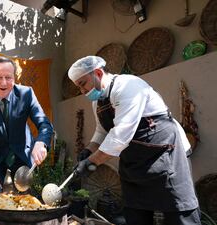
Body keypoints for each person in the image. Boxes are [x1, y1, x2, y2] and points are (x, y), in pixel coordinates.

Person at [68, 56, 201, 225]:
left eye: (82, 83)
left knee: (178, 212)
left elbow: (120, 136)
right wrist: (88, 150)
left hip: (165, 154)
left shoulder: (128, 86)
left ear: (98, 73)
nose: (82, 90)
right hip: (134, 162)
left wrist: (90, 163)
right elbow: (102, 131)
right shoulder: (98, 101)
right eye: (78, 86)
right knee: (135, 214)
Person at [0, 56, 53, 196]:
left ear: (14, 78)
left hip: (23, 152)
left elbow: (44, 124)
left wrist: (41, 143)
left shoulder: (26, 94)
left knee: (27, 197)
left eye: (8, 77)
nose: (4, 83)